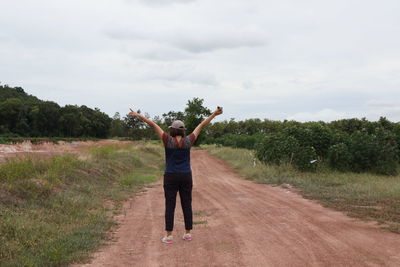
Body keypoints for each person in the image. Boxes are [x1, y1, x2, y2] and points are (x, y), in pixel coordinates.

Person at [128, 107, 223, 244]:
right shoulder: (189, 140)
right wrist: (214, 114)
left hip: (170, 176)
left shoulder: (167, 140)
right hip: (186, 176)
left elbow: (152, 124)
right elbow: (201, 125)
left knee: (170, 205)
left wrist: (138, 115)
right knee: (187, 204)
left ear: (172, 130)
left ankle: (169, 235)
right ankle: (188, 233)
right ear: (183, 131)